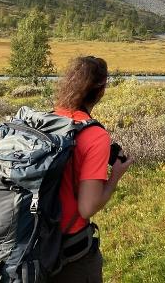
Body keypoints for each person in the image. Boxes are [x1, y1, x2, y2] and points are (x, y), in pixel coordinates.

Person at [51, 56, 134, 283]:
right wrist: (115, 175)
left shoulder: (48, 120)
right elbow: (87, 208)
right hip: (68, 251)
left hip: (32, 239)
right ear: (100, 89)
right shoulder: (95, 136)